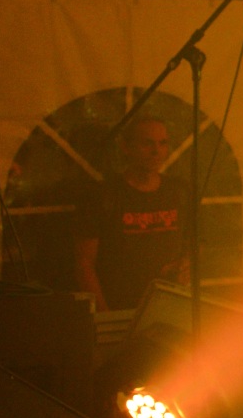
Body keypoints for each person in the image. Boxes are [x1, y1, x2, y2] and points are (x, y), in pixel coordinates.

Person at [76, 116, 185, 311]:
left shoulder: (179, 192)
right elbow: (84, 263)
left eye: (163, 143)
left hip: (169, 307)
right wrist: (104, 315)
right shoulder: (103, 195)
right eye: (147, 143)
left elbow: (196, 243)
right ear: (126, 147)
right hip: (119, 307)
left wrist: (185, 265)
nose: (156, 151)